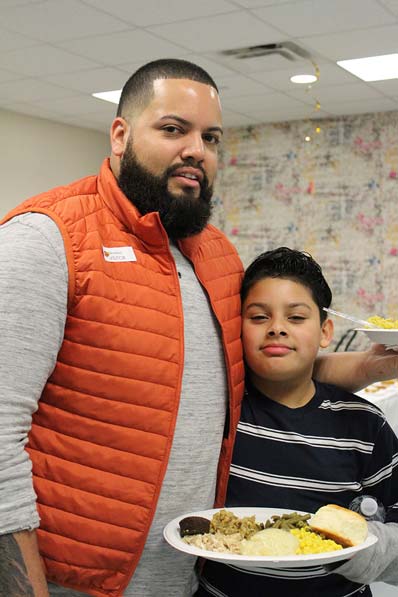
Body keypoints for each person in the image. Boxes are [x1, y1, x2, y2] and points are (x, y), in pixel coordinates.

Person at [0, 59, 397, 597]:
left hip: (191, 577)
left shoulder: (216, 255)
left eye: (210, 136)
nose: (196, 150)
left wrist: (369, 368)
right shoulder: (46, 241)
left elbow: (245, 369)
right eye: (173, 129)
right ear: (120, 135)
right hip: (73, 581)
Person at [197, 247, 398, 597]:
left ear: (325, 331)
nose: (276, 328)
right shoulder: (220, 413)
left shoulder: (365, 426)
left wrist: (350, 546)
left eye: (296, 318)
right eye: (259, 317)